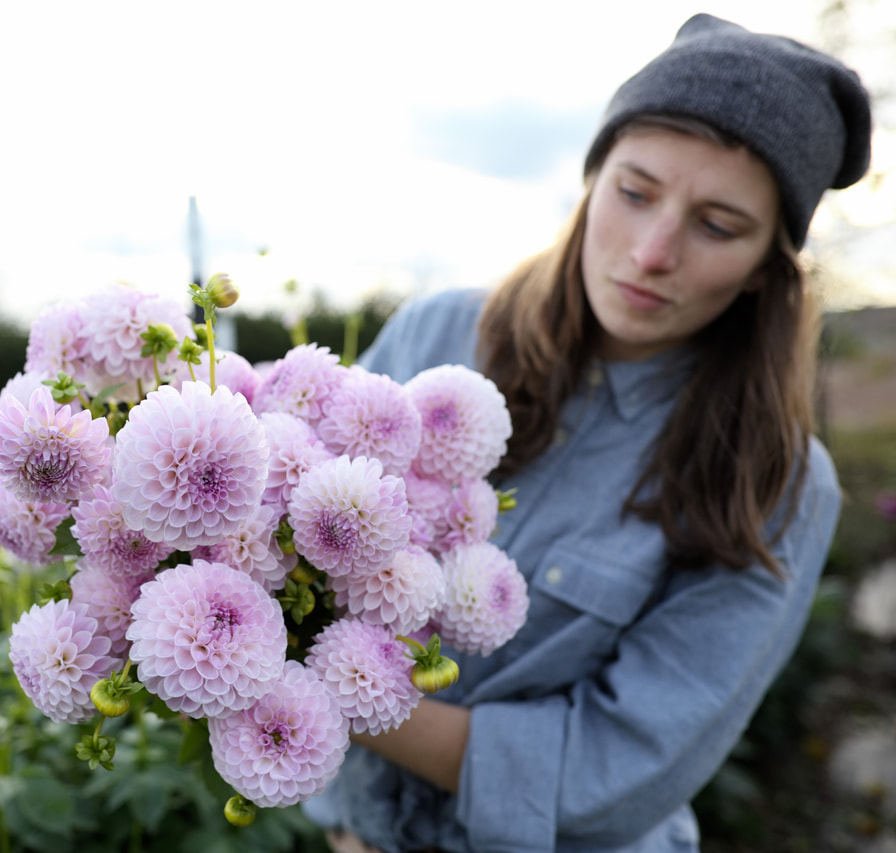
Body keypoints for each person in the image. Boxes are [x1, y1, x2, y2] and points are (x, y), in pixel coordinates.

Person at [302, 13, 872, 853]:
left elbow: (607, 774)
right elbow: (291, 547)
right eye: (635, 192)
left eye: (717, 226)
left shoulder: (775, 480)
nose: (650, 251)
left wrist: (310, 681)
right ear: (592, 178)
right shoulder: (436, 341)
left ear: (765, 271)